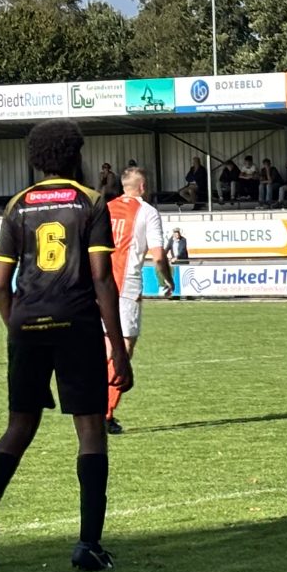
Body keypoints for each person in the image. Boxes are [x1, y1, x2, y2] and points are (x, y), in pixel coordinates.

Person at [0, 119, 132, 572]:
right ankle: (88, 545)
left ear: (37, 160)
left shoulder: (17, 206)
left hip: (26, 325)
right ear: (75, 155)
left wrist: (15, 329)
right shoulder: (91, 202)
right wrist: (116, 346)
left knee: (19, 426)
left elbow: (1, 284)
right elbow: (100, 278)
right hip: (75, 325)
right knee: (90, 430)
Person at [104, 165, 176, 435]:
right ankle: (105, 413)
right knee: (124, 348)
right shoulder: (147, 212)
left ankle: (94, 409)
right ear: (143, 187)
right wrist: (166, 281)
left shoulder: (106, 208)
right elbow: (158, 256)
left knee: (107, 348)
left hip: (98, 286)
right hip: (126, 287)